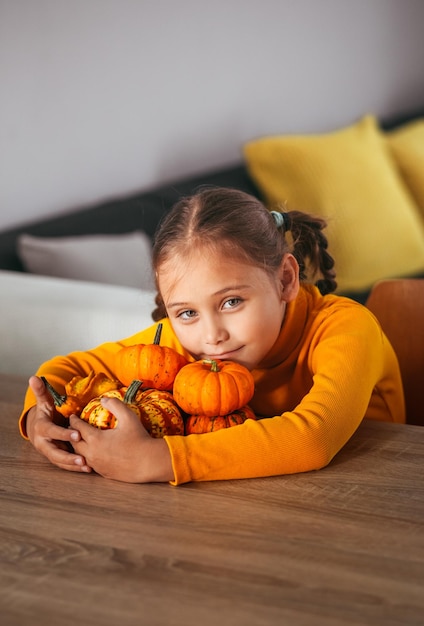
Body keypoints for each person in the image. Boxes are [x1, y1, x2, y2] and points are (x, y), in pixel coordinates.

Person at [19, 187, 405, 484]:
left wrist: (155, 459)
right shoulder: (189, 343)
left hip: (372, 498)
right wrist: (39, 418)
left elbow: (313, 438)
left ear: (285, 279)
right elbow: (68, 368)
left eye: (232, 301)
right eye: (186, 312)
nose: (212, 335)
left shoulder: (346, 328)